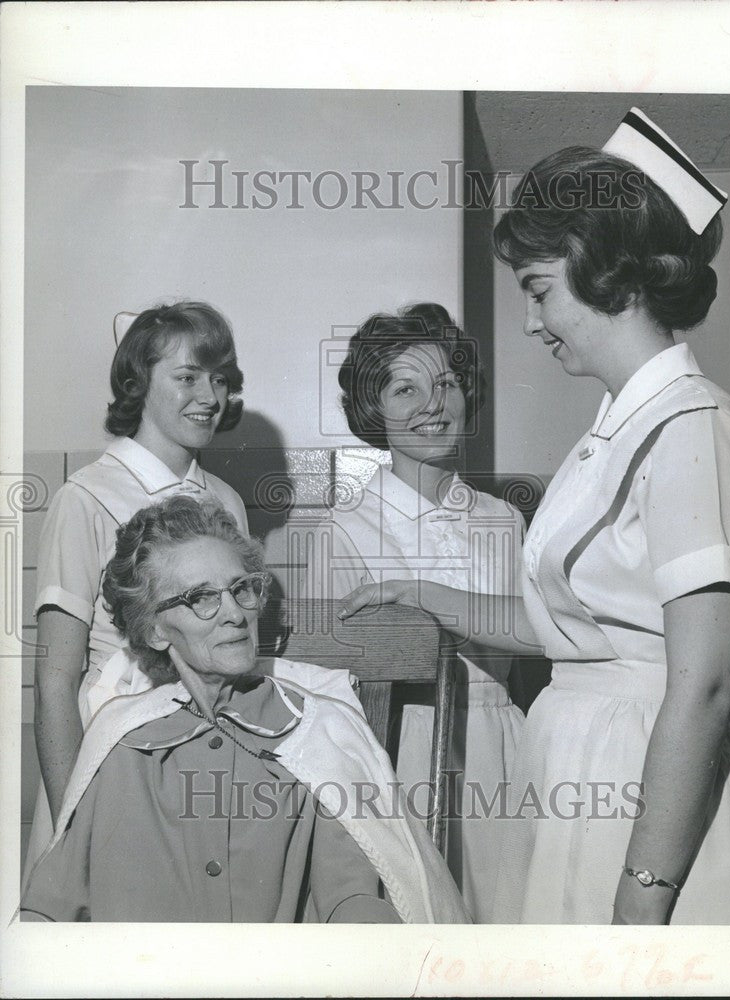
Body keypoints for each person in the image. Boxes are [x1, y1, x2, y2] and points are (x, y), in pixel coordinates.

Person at [338, 109, 730, 925]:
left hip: (654, 789)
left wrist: (644, 894)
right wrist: (427, 594)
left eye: (538, 290)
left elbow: (705, 682)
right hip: (585, 770)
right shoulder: (616, 432)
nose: (531, 322)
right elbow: (575, 628)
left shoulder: (691, 426)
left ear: (606, 268)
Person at [20, 496, 469, 923]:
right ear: (155, 629)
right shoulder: (119, 742)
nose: (234, 613)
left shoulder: (316, 733)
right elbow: (51, 908)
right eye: (201, 597)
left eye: (241, 589)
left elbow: (354, 900)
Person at [298, 303, 525, 921]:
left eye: (446, 383)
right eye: (407, 388)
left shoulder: (506, 520)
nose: (433, 404)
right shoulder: (342, 532)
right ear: (374, 409)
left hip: (506, 750)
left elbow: (537, 645)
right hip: (400, 753)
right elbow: (327, 699)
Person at [32, 302, 248, 837]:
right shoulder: (84, 497)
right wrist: (72, 822)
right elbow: (56, 680)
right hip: (114, 750)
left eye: (220, 379)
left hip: (211, 744)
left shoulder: (227, 501)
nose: (209, 397)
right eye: (186, 377)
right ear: (137, 384)